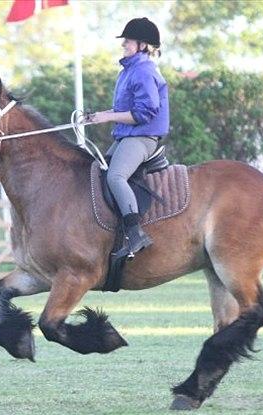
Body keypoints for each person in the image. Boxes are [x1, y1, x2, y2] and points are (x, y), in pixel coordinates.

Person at [87, 17, 169, 257]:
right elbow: (126, 109)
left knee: (115, 176)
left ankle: (135, 234)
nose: (123, 44)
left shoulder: (143, 71)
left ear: (142, 45)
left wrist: (108, 118)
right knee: (98, 171)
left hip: (142, 137)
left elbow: (144, 113)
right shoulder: (129, 71)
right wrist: (100, 115)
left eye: (128, 41)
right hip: (128, 135)